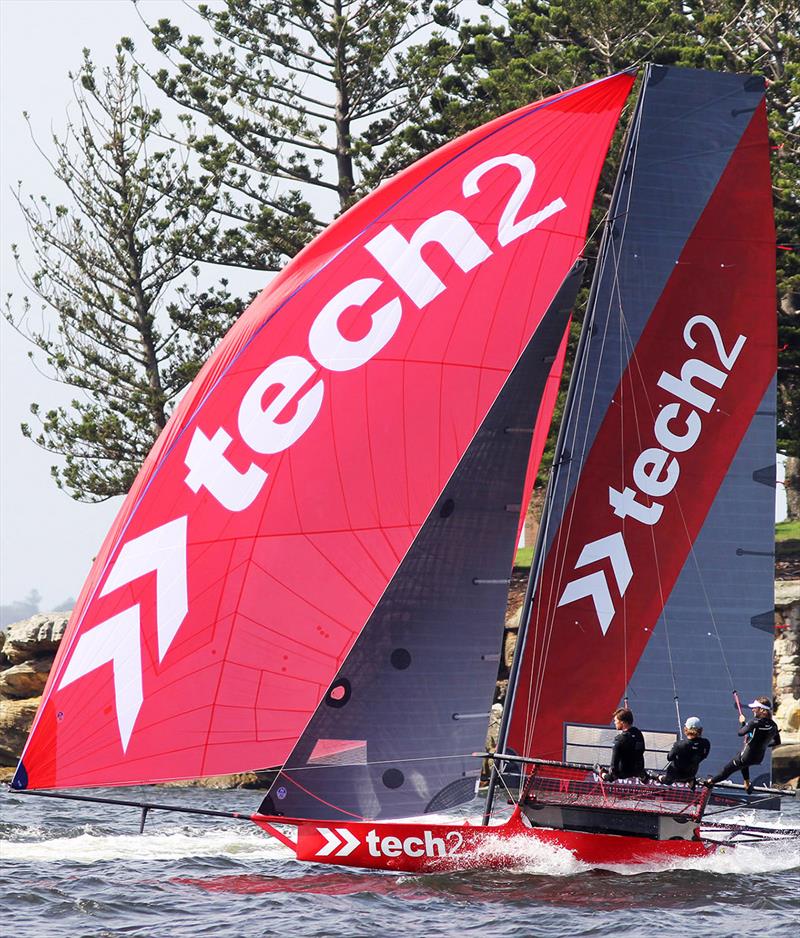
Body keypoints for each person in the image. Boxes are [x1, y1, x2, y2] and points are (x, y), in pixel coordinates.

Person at [704, 696, 781, 794]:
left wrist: (743, 722)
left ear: (761, 710)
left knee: (727, 770)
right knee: (743, 761)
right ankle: (747, 783)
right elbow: (777, 742)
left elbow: (740, 733)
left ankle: (709, 782)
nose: (752, 709)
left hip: (746, 757)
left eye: (755, 708)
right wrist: (763, 744)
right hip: (758, 758)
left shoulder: (754, 722)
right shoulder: (774, 725)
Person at [596, 708, 648, 783]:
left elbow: (614, 765)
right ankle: (644, 777)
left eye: (616, 721)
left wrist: (606, 775)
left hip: (622, 773)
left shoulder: (619, 740)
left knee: (596, 767)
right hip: (637, 770)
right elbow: (641, 750)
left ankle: (602, 774)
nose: (614, 723)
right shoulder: (638, 733)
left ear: (623, 722)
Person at [657, 716, 710, 786]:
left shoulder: (680, 744)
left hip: (675, 774)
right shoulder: (706, 743)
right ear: (701, 730)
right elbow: (703, 756)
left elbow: (669, 757)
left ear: (686, 730)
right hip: (691, 773)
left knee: (667, 780)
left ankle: (659, 777)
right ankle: (690, 781)